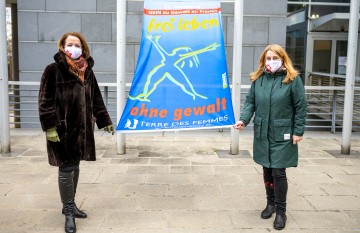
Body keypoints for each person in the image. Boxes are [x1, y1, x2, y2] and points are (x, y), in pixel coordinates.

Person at [38, 31, 115, 233]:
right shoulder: (52, 70)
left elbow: (96, 98)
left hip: (83, 129)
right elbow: (44, 101)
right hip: (63, 129)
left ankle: (69, 205)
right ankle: (69, 212)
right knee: (66, 167)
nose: (74, 48)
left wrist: (104, 120)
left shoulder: (87, 71)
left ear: (83, 47)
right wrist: (50, 126)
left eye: (78, 44)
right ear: (62, 46)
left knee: (76, 165)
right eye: (70, 44)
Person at [234, 44, 307, 230]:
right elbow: (251, 102)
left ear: (283, 59)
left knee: (278, 172)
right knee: (266, 169)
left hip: (282, 134)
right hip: (262, 133)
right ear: (263, 60)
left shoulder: (293, 79)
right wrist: (243, 120)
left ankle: (281, 211)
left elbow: (300, 107)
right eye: (268, 58)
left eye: (275, 58)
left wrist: (298, 131)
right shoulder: (258, 79)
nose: (271, 61)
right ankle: (270, 203)